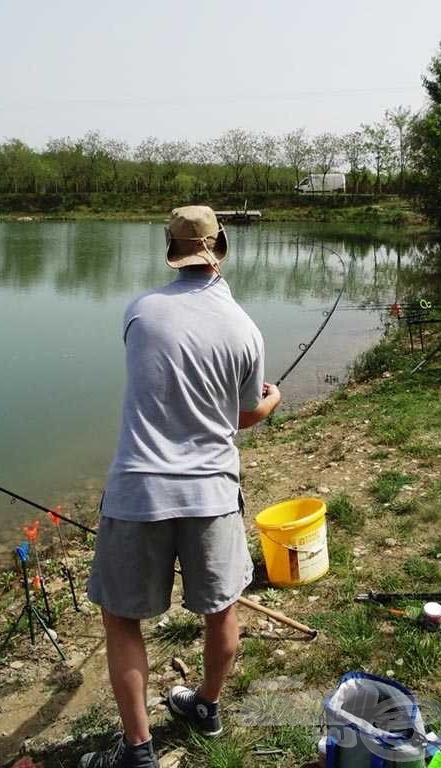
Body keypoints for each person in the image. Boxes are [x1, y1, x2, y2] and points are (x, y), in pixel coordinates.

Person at [79, 205, 281, 768]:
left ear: (171, 250)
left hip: (138, 490)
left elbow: (159, 383)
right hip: (212, 493)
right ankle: (207, 709)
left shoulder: (141, 312)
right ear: (222, 248)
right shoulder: (246, 327)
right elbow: (242, 416)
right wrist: (273, 399)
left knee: (122, 618)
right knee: (222, 611)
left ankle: (138, 750)